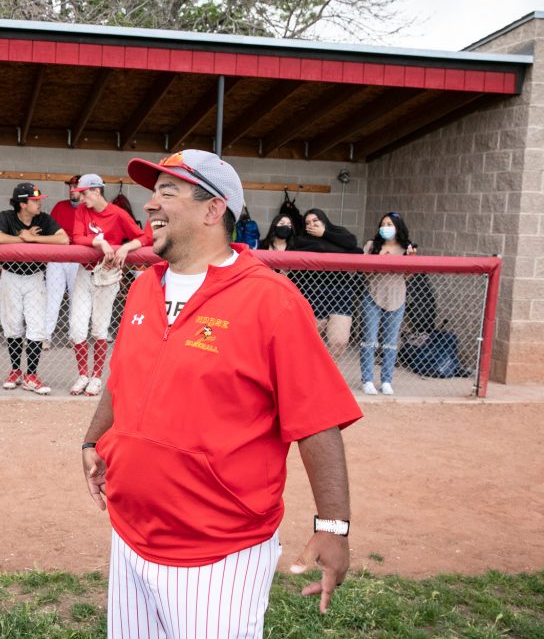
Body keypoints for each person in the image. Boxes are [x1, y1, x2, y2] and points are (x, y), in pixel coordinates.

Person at [81, 149, 363, 638]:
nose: (150, 205)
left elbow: (317, 418)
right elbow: (122, 377)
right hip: (130, 535)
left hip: (218, 550)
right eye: (154, 193)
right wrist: (92, 441)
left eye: (167, 192)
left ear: (214, 210)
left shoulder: (270, 300)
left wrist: (333, 527)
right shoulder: (144, 288)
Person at [68, 174, 151, 397]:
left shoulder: (118, 213)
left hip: (107, 274)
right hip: (85, 273)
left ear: (97, 191)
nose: (82, 198)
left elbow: (144, 237)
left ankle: (96, 376)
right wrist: (101, 242)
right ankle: (82, 374)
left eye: (85, 193)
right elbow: (77, 238)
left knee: (99, 328)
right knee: (77, 327)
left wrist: (125, 247)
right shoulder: (82, 211)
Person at [0, 182, 69, 394]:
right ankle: (16, 370)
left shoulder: (43, 219)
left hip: (35, 277)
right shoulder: (7, 216)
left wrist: (34, 238)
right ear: (22, 204)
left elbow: (64, 239)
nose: (38, 204)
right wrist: (21, 238)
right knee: (12, 324)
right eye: (34, 201)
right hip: (10, 276)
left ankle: (31, 375)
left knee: (36, 326)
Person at [360, 212, 417, 395]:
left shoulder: (405, 248)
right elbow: (365, 273)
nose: (385, 227)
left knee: (391, 342)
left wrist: (411, 260)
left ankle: (386, 380)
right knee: (370, 340)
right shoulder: (372, 246)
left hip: (397, 297)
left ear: (398, 227)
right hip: (373, 295)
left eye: (390, 224)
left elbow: (407, 277)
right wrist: (378, 260)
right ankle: (367, 380)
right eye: (383, 224)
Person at [296, 208, 361, 357]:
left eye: (315, 221)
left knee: (339, 341)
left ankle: (328, 375)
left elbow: (354, 247)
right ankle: (312, 373)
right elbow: (319, 247)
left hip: (341, 291)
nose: (312, 225)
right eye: (308, 223)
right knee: (311, 340)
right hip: (314, 292)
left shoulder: (339, 232)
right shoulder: (302, 240)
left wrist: (324, 234)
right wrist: (339, 251)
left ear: (323, 220)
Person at [44, 175, 82, 349]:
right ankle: (46, 336)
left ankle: (74, 336)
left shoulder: (88, 210)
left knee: (77, 299)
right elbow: (50, 232)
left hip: (78, 260)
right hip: (58, 259)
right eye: (71, 186)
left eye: (76, 186)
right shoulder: (60, 206)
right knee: (52, 298)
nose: (72, 189)